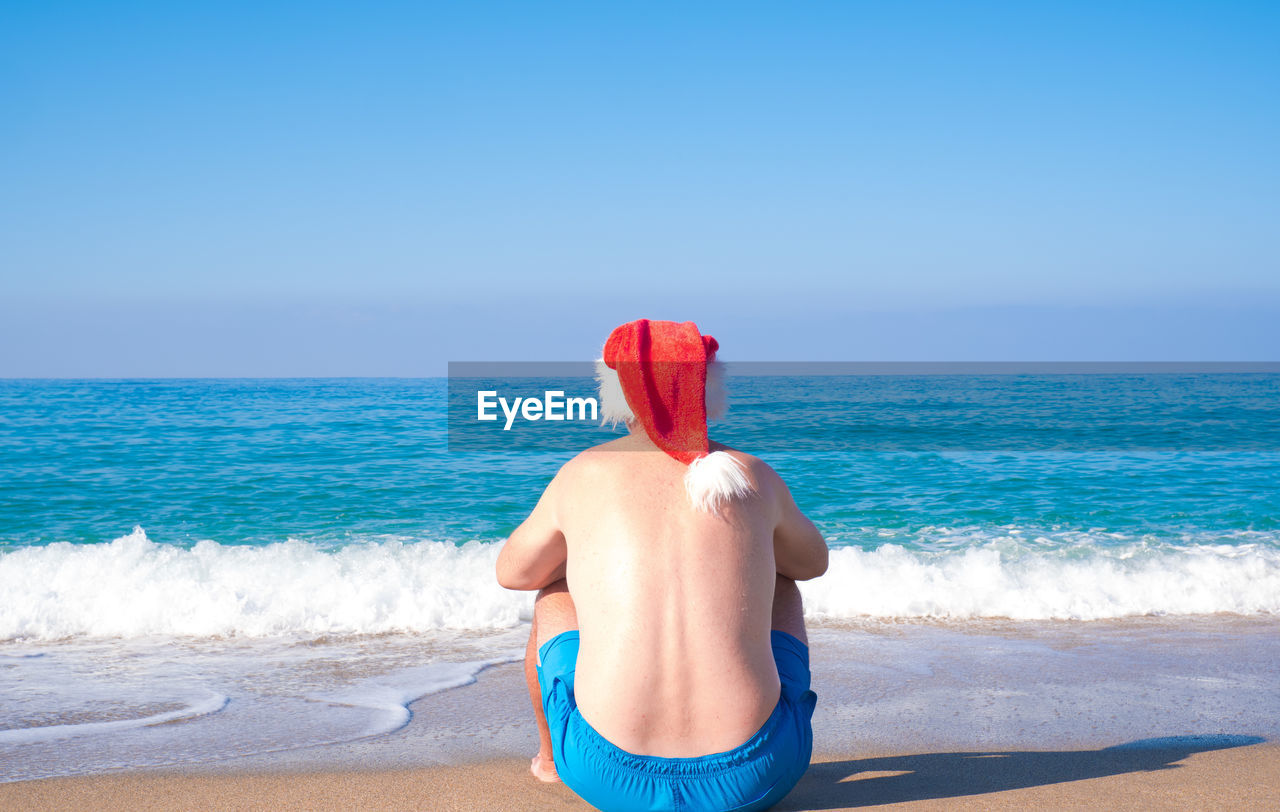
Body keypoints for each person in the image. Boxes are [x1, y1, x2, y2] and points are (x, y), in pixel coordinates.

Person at [496, 319, 828, 812]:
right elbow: (812, 563)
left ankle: (549, 758)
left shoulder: (581, 474)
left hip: (606, 776)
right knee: (783, 582)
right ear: (707, 389)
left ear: (616, 393)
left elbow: (513, 573)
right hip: (755, 775)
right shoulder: (750, 474)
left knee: (553, 590)